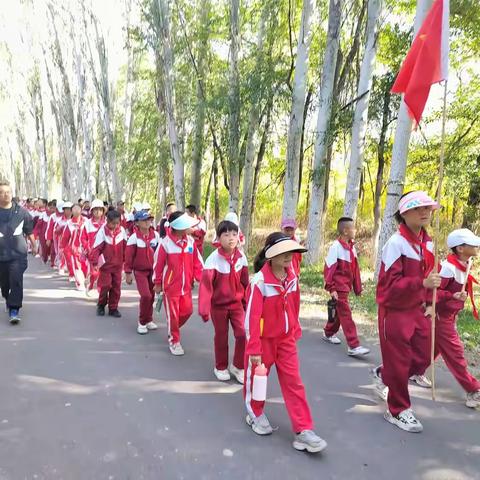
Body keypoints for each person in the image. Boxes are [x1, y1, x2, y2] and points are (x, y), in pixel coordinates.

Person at [243, 232, 327, 453]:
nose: (289, 256)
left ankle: (303, 430)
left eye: (291, 251)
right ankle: (255, 413)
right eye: (283, 252)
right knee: (257, 381)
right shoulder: (259, 282)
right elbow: (252, 317)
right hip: (262, 342)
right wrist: (254, 348)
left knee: (294, 382)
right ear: (271, 255)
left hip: (286, 340)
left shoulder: (292, 277)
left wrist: (294, 330)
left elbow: (294, 306)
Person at [373, 191, 442, 433]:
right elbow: (387, 289)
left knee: (424, 356)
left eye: (428, 208)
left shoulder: (430, 242)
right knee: (400, 361)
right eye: (418, 208)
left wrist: (431, 301)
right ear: (404, 213)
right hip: (395, 312)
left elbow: (434, 277)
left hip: (419, 309)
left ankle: (385, 373)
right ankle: (398, 410)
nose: (425, 212)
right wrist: (420, 284)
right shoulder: (396, 244)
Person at [417, 228, 480, 409]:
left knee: (433, 350)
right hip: (440, 316)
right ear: (460, 248)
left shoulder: (466, 262)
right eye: (472, 243)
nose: (476, 246)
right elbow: (432, 293)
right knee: (456, 353)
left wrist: (457, 300)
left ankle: (413, 370)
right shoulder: (448, 268)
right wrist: (451, 297)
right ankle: (473, 390)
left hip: (450, 315)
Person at [198, 220, 249, 383]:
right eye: (226, 235)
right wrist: (204, 309)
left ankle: (238, 366)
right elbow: (206, 287)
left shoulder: (242, 258)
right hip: (218, 307)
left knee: (243, 334)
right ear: (219, 238)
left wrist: (248, 304)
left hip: (237, 305)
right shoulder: (213, 260)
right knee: (221, 336)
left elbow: (246, 283)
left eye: (234, 234)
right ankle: (220, 366)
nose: (231, 238)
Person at [153, 211, 203, 355]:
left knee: (188, 311)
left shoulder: (191, 242)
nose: (189, 228)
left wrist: (202, 278)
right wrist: (157, 283)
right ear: (177, 227)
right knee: (173, 316)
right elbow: (159, 265)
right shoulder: (166, 244)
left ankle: (172, 328)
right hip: (171, 288)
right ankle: (174, 341)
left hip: (186, 287)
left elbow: (197, 263)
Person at [322, 217, 369, 357]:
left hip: (346, 287)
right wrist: (332, 289)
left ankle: (328, 333)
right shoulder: (335, 247)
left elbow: (355, 270)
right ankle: (354, 345)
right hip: (339, 287)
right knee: (346, 314)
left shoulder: (351, 248)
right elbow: (329, 269)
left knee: (338, 314)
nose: (355, 230)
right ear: (345, 231)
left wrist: (357, 288)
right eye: (353, 228)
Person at [0, 182, 36, 324]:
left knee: (16, 279)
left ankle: (14, 309)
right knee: (4, 283)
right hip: (1, 255)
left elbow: (29, 231)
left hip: (17, 254)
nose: (6, 194)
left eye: (8, 191)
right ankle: (7, 298)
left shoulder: (21, 212)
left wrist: (34, 245)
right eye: (2, 192)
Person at [125, 210, 161, 334]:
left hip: (153, 271)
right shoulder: (133, 238)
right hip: (140, 271)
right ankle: (142, 322)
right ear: (137, 223)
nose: (147, 222)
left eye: (149, 219)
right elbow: (129, 257)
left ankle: (149, 319)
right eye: (144, 220)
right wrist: (128, 273)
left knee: (151, 297)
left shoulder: (155, 236)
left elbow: (160, 254)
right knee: (145, 295)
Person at [90, 210, 127, 318]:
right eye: (113, 223)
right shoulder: (102, 232)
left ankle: (113, 308)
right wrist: (95, 262)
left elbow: (126, 247)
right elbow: (97, 248)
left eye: (117, 223)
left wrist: (127, 261)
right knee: (105, 285)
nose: (115, 226)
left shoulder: (122, 231)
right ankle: (101, 305)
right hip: (106, 266)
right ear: (107, 221)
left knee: (116, 287)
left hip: (118, 265)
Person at [81, 199, 106, 295]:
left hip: (103, 253)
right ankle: (91, 286)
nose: (97, 212)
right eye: (95, 209)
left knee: (102, 273)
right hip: (91, 253)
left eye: (100, 209)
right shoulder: (87, 224)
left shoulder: (106, 224)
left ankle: (100, 290)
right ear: (91, 211)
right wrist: (88, 248)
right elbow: (83, 238)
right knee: (94, 272)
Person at [61, 204, 87, 290]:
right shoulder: (69, 223)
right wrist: (62, 247)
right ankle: (79, 284)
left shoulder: (86, 221)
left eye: (78, 208)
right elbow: (65, 236)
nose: (76, 210)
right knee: (77, 267)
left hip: (85, 249)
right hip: (74, 249)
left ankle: (85, 280)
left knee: (85, 267)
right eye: (74, 209)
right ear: (72, 211)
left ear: (81, 210)